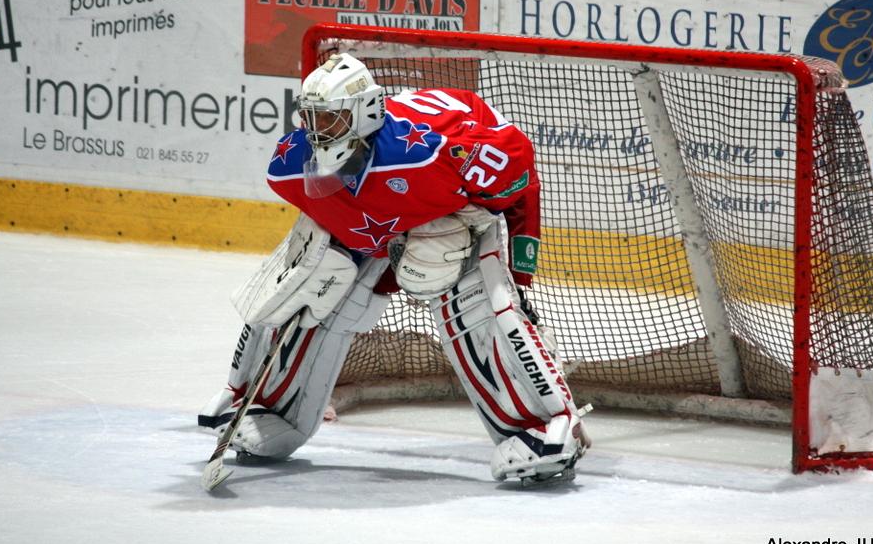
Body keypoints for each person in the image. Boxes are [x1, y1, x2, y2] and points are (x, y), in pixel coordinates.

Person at [199, 52, 591, 484]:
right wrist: (359, 260)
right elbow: (345, 215)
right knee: (315, 281)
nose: (316, 132)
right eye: (310, 118)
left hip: (447, 202)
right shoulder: (291, 164)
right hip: (390, 208)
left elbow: (520, 176)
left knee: (445, 274)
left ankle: (546, 424)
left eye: (329, 120)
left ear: (365, 113)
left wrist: (517, 277)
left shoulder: (440, 152)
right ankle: (265, 403)